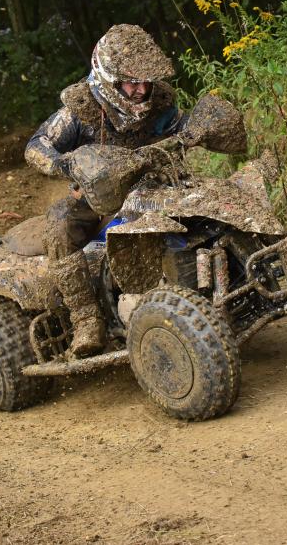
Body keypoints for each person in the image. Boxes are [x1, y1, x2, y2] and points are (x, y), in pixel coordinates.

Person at [25, 24, 185, 357]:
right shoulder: (80, 109)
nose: (142, 89)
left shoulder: (160, 102)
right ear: (108, 79)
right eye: (132, 81)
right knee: (58, 224)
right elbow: (37, 145)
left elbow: (181, 126)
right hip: (100, 194)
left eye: (146, 81)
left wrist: (197, 130)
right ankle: (86, 319)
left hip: (158, 184)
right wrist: (66, 165)